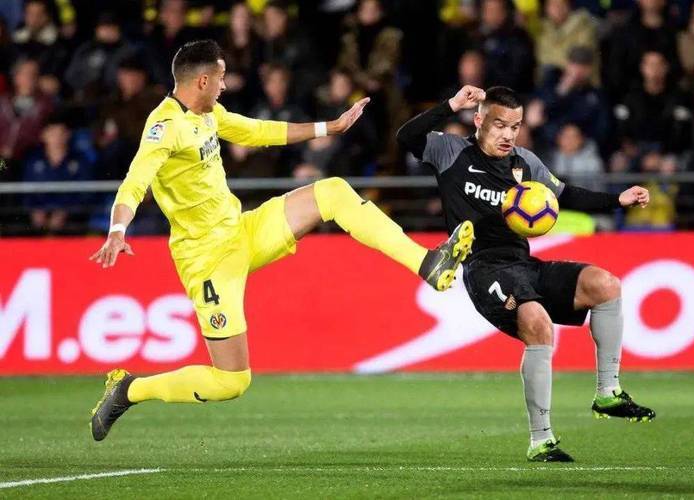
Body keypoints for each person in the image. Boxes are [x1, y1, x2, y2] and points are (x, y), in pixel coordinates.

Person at [87, 40, 474, 441]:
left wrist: (330, 127)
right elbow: (135, 182)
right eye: (220, 78)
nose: (224, 85)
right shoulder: (164, 127)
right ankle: (128, 389)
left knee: (333, 192)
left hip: (242, 231)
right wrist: (117, 231)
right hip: (207, 262)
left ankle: (428, 263)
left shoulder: (209, 114)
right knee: (231, 381)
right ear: (201, 81)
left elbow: (257, 131)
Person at [396, 85, 656, 462]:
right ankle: (541, 440)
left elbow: (565, 195)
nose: (508, 135)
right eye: (499, 125)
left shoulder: (525, 163)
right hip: (483, 269)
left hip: (524, 265)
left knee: (605, 285)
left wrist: (617, 199)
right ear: (479, 120)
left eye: (515, 127)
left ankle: (608, 393)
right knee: (537, 323)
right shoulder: (451, 151)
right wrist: (451, 104)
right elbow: (406, 136)